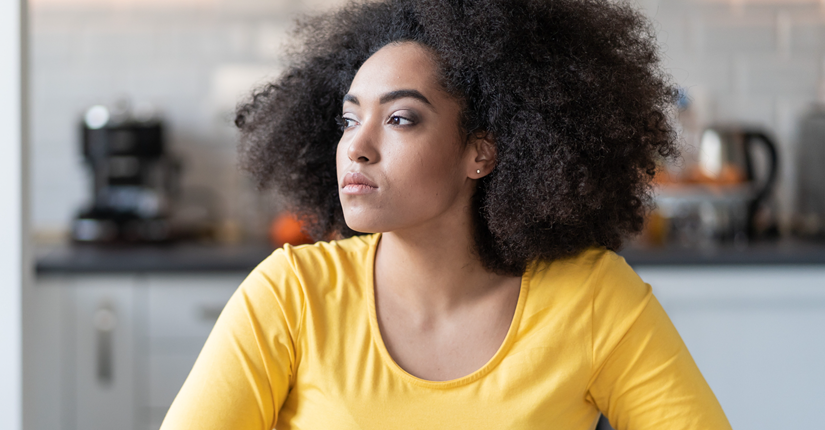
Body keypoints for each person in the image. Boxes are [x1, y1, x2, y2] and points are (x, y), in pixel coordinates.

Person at [161, 0, 732, 428]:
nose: (357, 146)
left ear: (479, 152)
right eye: (349, 119)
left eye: (401, 118)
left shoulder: (591, 297)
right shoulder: (289, 296)